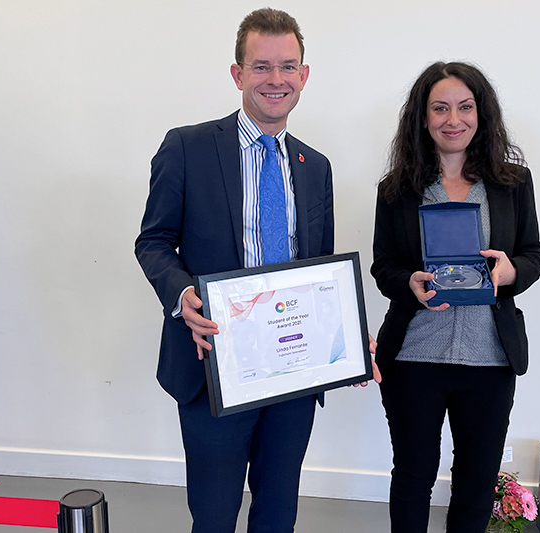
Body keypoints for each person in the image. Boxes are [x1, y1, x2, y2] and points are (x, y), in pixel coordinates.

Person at [135, 8, 342, 532]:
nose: (276, 80)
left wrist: (345, 328)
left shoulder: (315, 167)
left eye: (288, 67)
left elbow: (318, 271)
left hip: (294, 370)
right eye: (261, 67)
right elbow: (154, 241)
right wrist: (181, 294)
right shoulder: (188, 147)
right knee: (214, 512)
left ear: (304, 75)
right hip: (214, 367)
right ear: (238, 74)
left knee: (278, 510)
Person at [371, 62, 540, 532]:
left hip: (490, 358)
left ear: (481, 114)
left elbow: (533, 255)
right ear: (423, 118)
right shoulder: (396, 190)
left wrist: (510, 272)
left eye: (465, 107)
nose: (454, 119)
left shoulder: (513, 183)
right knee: (413, 475)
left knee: (476, 480)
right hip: (413, 355)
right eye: (440, 108)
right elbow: (383, 264)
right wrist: (408, 282)